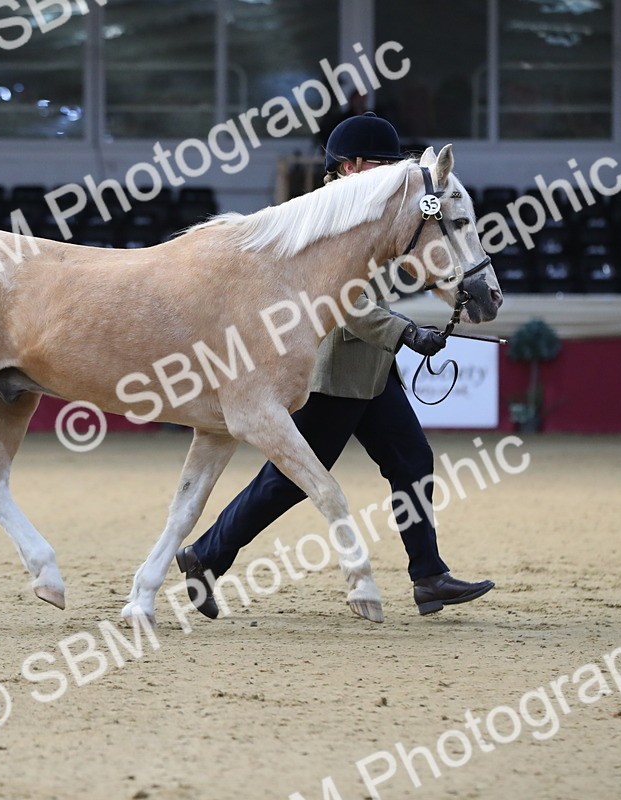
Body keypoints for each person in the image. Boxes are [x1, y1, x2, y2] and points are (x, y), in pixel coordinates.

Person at [176, 112, 494, 620]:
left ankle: (429, 575)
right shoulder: (328, 217)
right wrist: (406, 332)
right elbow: (347, 302)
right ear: (350, 167)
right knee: (287, 481)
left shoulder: (370, 212)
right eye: (381, 163)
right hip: (335, 373)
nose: (390, 174)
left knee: (411, 461)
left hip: (371, 370)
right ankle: (205, 557)